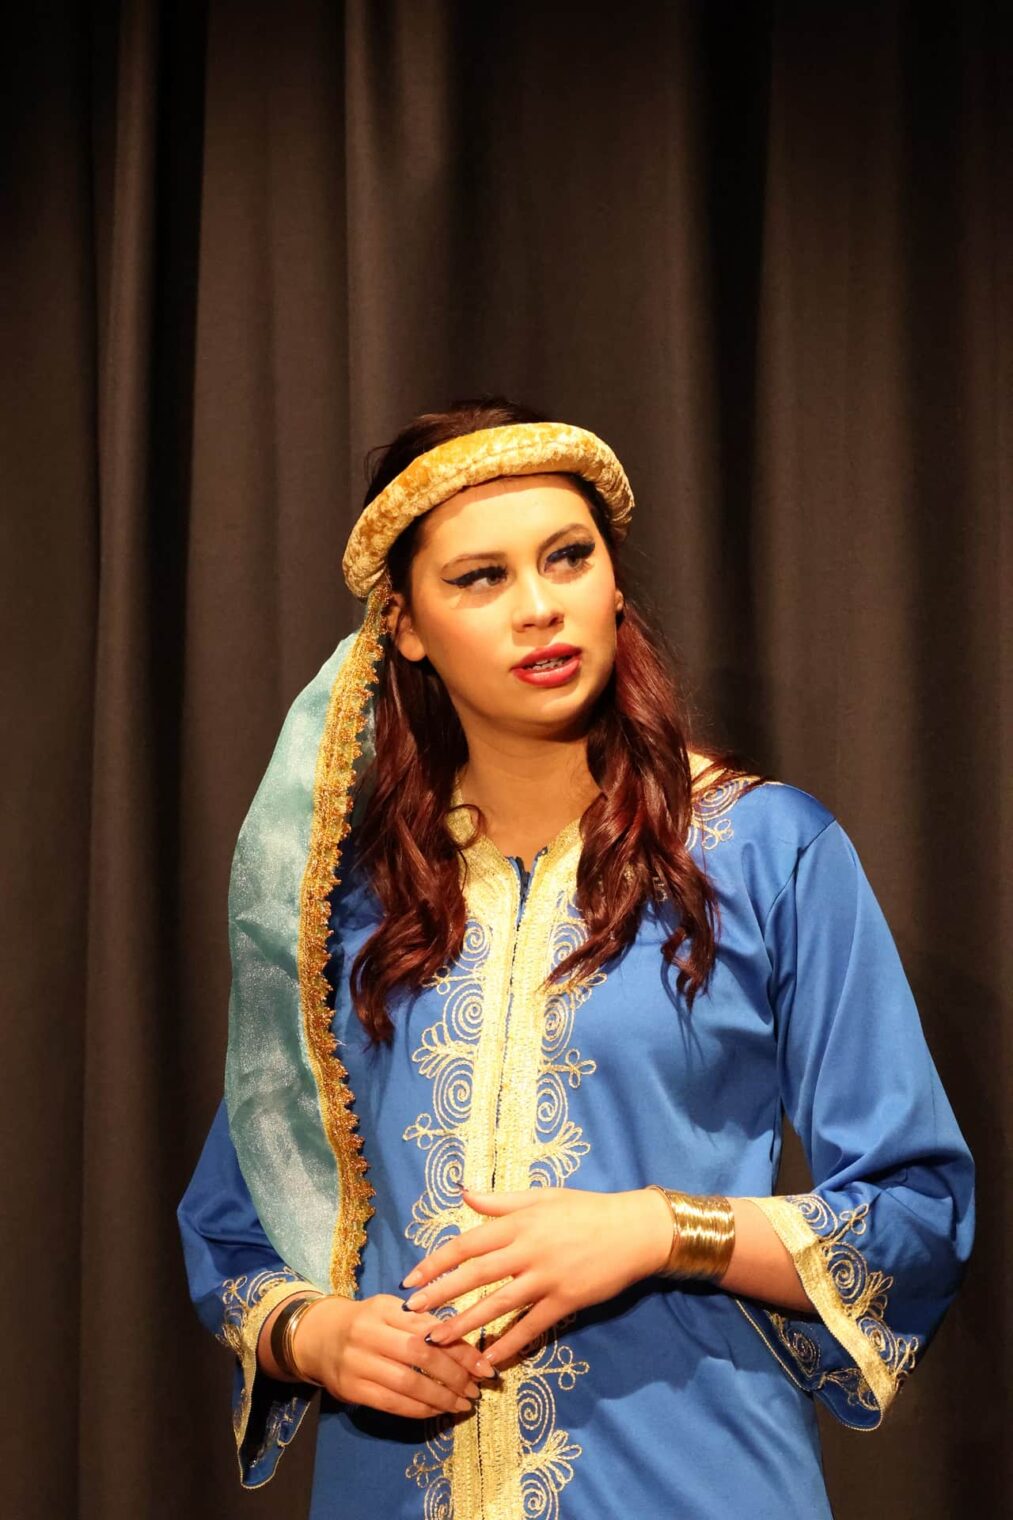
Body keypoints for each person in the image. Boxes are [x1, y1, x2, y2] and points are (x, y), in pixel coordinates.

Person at [178, 397, 974, 1520]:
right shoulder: (339, 902)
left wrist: (658, 1228)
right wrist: (318, 1336)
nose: (539, 606)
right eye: (480, 577)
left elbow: (915, 1210)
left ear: (612, 584)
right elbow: (233, 1223)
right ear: (403, 624)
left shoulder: (765, 852)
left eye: (567, 557)